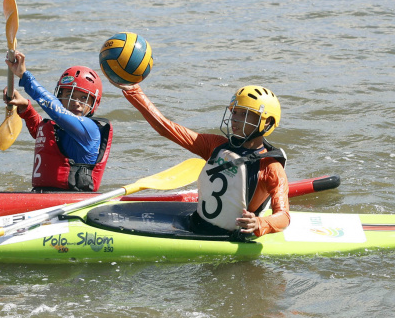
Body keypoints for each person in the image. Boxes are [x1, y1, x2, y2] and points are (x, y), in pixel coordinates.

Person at [109, 80, 289, 238]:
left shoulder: (271, 168)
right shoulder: (216, 145)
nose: (234, 119)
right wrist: (133, 91)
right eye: (234, 112)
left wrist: (259, 223)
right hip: (196, 223)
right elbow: (166, 128)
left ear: (266, 122)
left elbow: (284, 217)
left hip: (233, 235)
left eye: (244, 114)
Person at [4, 50, 112, 193]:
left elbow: (57, 111)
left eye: (83, 98)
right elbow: (42, 133)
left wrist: (25, 76)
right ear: (60, 97)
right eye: (69, 95)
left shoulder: (89, 129)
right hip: (42, 196)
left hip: (71, 202)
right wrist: (25, 107)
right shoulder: (60, 127)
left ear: (94, 103)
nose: (76, 102)